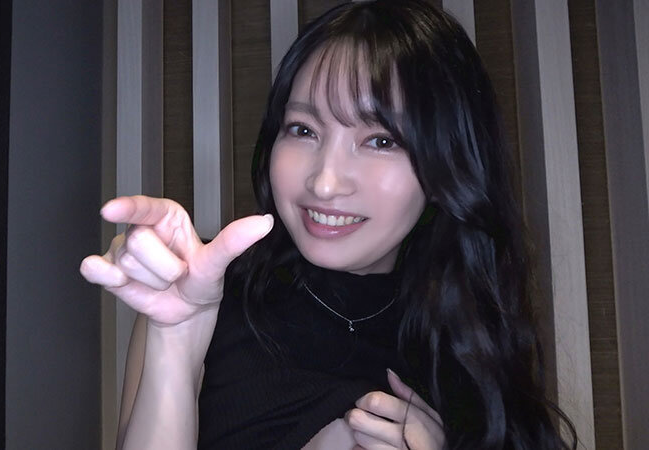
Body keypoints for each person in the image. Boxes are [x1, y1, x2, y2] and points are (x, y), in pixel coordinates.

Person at [80, 1, 578, 448]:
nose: (324, 183)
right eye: (303, 129)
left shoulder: (471, 343)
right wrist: (178, 335)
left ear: (446, 162)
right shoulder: (198, 289)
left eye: (381, 140)